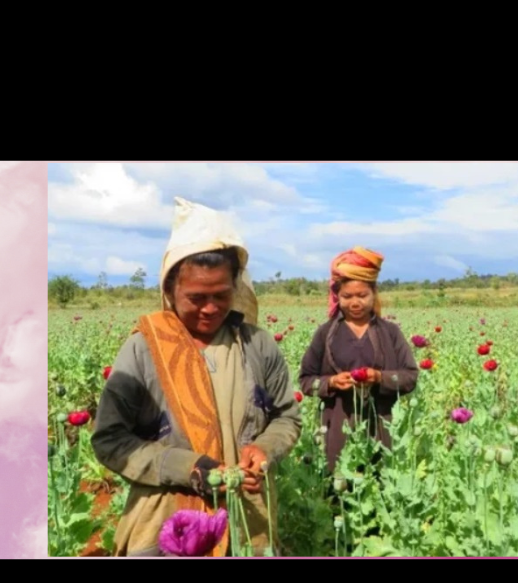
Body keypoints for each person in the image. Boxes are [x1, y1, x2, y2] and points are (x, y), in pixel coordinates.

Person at [91, 197, 301, 557]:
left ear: (237, 286)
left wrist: (263, 449)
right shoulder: (144, 350)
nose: (210, 308)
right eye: (196, 297)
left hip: (247, 520)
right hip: (168, 526)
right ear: (171, 290)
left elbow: (286, 417)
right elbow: (110, 439)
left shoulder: (257, 345)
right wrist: (187, 467)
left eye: (221, 295)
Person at [298, 246, 418, 481]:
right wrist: (331, 382)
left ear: (374, 294)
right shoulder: (325, 333)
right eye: (347, 296)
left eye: (362, 296)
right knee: (339, 488)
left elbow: (410, 376)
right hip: (337, 427)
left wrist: (379, 378)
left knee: (381, 484)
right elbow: (305, 380)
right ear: (337, 297)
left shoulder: (390, 333)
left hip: (382, 427)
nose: (355, 302)